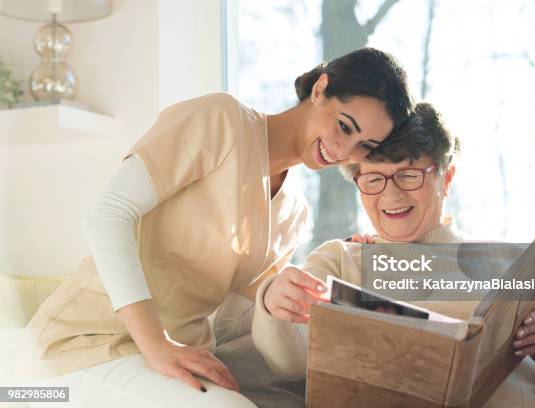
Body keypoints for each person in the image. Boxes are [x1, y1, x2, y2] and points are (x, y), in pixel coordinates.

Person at [15, 47, 415, 407]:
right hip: (84, 347)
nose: (344, 151)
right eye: (345, 126)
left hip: (169, 362)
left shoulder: (293, 212)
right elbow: (107, 215)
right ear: (320, 89)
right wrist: (156, 345)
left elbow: (227, 325)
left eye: (364, 146)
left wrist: (278, 299)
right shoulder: (221, 120)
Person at [252, 102, 535, 407]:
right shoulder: (340, 260)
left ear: (446, 177)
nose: (390, 196)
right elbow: (289, 363)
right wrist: (273, 302)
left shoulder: (516, 265)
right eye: (374, 179)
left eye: (409, 175)